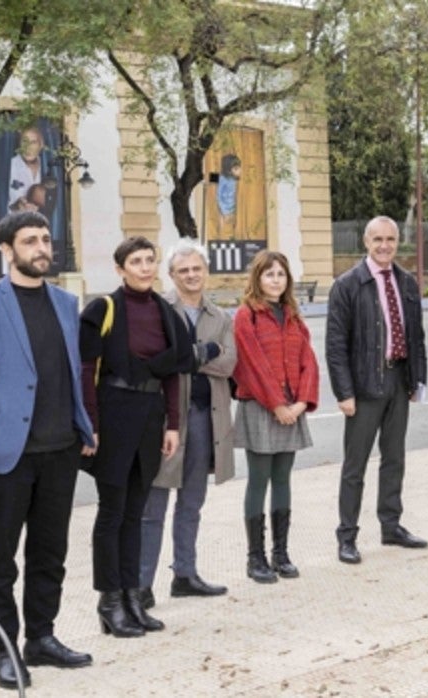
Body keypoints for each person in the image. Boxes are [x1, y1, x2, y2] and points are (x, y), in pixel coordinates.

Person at [0, 211, 96, 689]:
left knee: (50, 554)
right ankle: (5, 649)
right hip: (3, 457)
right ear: (7, 250)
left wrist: (83, 428)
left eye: (46, 239)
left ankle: (42, 637)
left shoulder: (66, 302)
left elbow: (71, 372)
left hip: (60, 451)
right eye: (30, 240)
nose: (41, 248)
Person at [80, 236, 192, 637]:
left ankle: (131, 597)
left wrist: (174, 425)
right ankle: (109, 601)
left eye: (150, 260)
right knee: (112, 513)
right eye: (136, 261)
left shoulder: (165, 312)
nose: (145, 267)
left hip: (150, 418)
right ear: (120, 268)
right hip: (112, 415)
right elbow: (86, 371)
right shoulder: (103, 309)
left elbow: (174, 372)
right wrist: (89, 424)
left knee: (137, 512)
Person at [136, 240, 235, 608]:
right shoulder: (158, 311)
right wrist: (200, 354)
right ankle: (142, 584)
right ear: (172, 275)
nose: (191, 275)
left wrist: (189, 358)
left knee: (192, 501)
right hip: (168, 422)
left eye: (197, 269)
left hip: (206, 419)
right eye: (183, 270)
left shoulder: (220, 316)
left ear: (205, 271)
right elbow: (160, 362)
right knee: (154, 505)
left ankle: (185, 574)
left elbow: (228, 364)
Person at [326, 215, 428, 564]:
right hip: (364, 386)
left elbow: (416, 335)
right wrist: (344, 392)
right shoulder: (347, 285)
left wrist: (418, 380)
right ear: (366, 242)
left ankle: (391, 525)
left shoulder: (406, 282)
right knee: (355, 465)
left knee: (395, 458)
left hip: (399, 381)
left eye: (390, 239)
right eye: (377, 240)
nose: (384, 246)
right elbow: (336, 345)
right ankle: (347, 535)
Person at [231, 250, 320, 582]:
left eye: (281, 274)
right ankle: (255, 558)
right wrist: (277, 404)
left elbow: (308, 362)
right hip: (261, 407)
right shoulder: (246, 316)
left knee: (283, 479)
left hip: (292, 408)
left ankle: (280, 553)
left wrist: (300, 404)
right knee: (259, 479)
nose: (275, 280)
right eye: (269, 274)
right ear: (258, 278)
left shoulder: (293, 315)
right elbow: (251, 365)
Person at [8, 126, 44, 212]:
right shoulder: (10, 166)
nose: (28, 147)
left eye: (33, 142)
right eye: (25, 141)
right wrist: (19, 203)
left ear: (40, 145)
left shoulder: (47, 166)